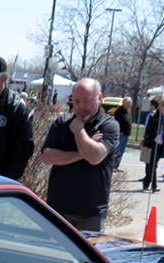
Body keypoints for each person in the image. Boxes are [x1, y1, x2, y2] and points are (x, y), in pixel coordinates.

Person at [40, 77, 121, 231]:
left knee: (87, 248)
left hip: (91, 211)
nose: (81, 106)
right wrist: (83, 153)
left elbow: (95, 157)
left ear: (100, 98)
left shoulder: (108, 125)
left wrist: (79, 131)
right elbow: (47, 156)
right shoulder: (62, 123)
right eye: (76, 101)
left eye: (86, 101)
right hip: (59, 208)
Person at [141, 97, 164, 191]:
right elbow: (148, 131)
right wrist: (146, 144)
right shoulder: (154, 116)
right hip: (153, 143)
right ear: (162, 106)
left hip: (161, 144)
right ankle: (154, 185)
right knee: (153, 165)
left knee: (153, 165)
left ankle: (146, 183)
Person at [112, 95, 133, 170]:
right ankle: (113, 165)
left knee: (121, 151)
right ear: (125, 103)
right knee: (117, 150)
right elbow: (117, 122)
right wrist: (120, 131)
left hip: (127, 134)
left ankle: (116, 166)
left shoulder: (128, 111)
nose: (131, 104)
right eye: (130, 103)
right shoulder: (119, 111)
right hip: (121, 135)